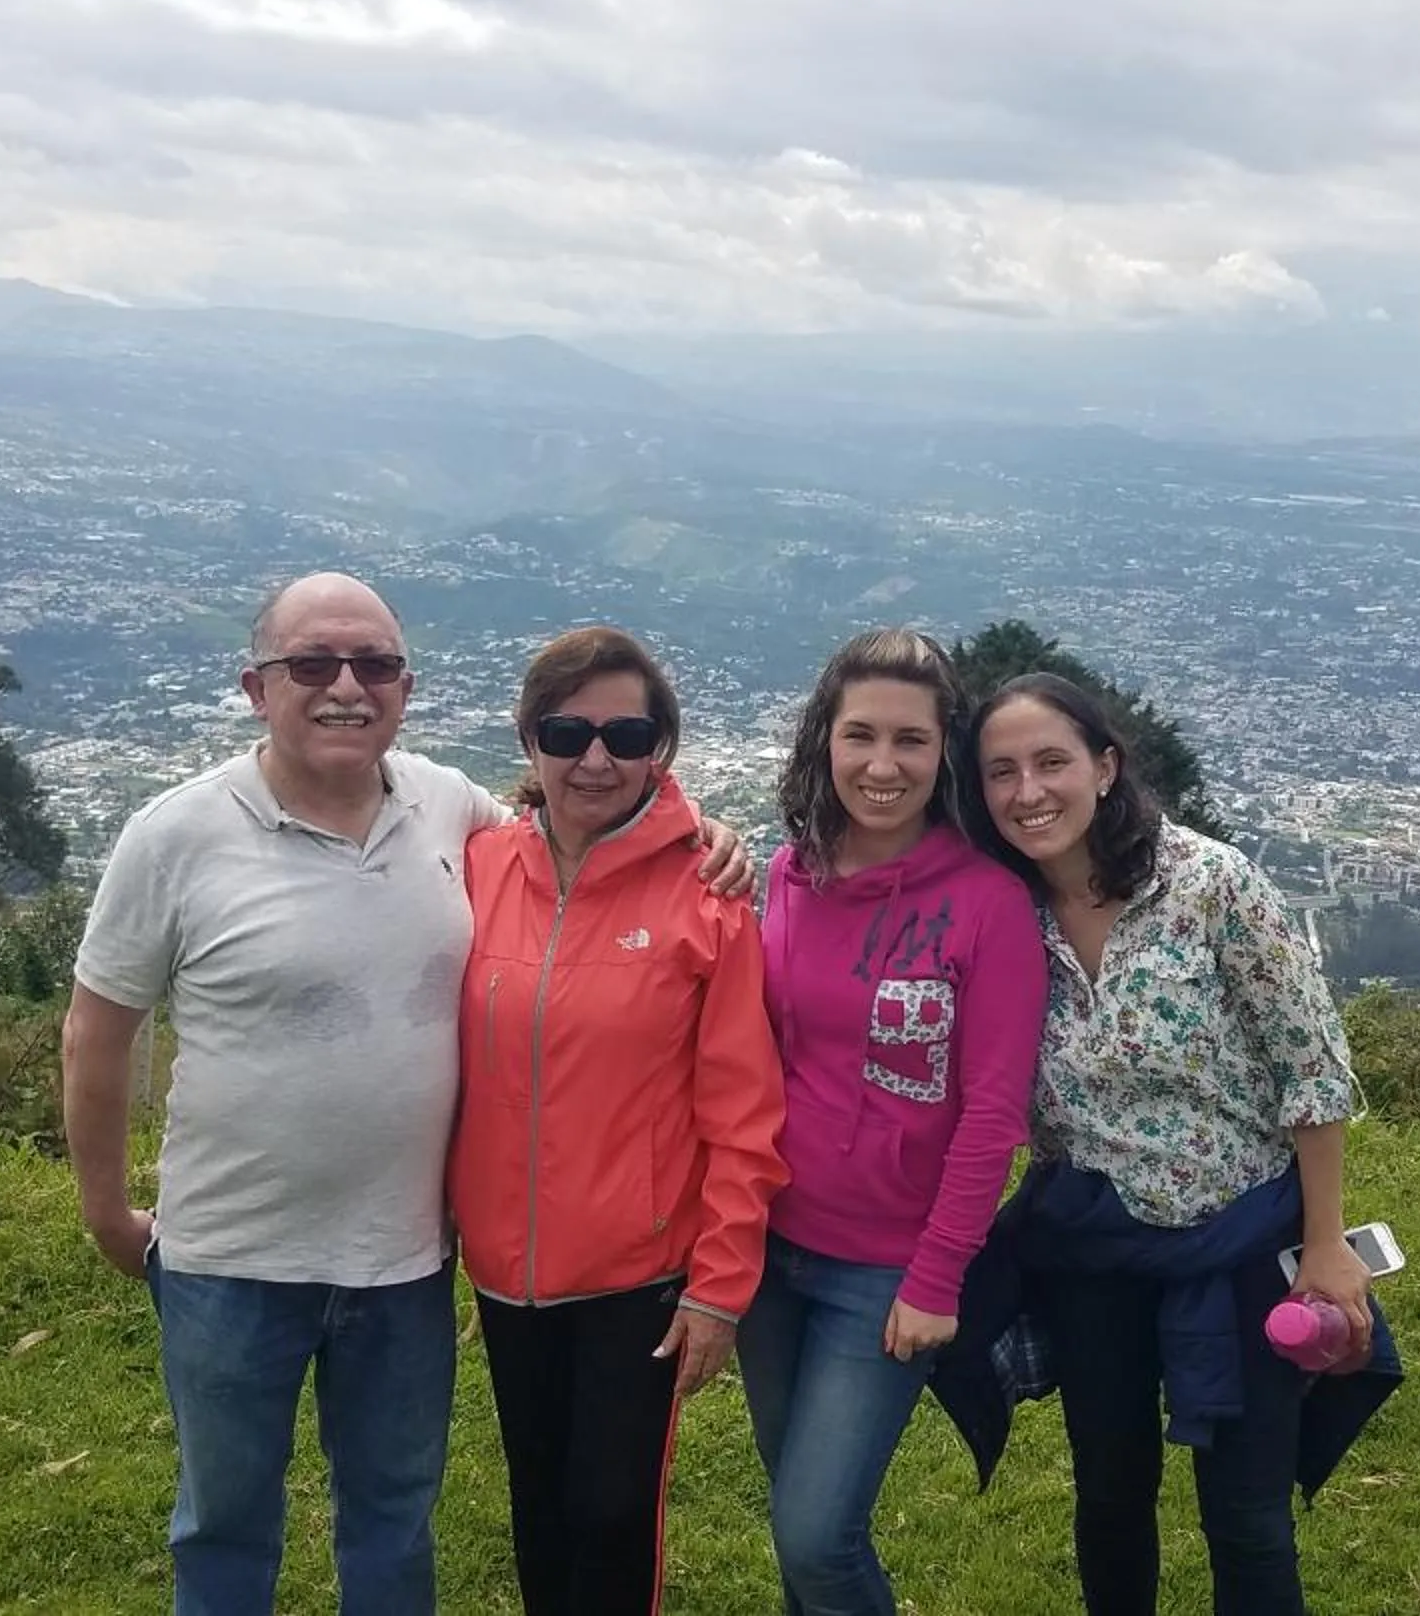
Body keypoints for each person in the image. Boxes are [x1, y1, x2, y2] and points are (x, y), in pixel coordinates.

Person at [60, 574, 749, 1616]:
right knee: (227, 1522)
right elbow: (96, 1032)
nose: (346, 686)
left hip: (403, 1263)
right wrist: (107, 1208)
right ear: (257, 686)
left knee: (392, 1517)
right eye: (313, 664)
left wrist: (713, 835)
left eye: (374, 665)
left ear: (406, 686)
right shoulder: (176, 834)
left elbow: (594, 825)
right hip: (228, 1257)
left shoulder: (447, 809)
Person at [957, 672, 1399, 1616]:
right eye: (1001, 772)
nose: (1027, 791)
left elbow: (1310, 1068)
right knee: (1110, 1497)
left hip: (1237, 1232)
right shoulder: (996, 912)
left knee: (1244, 1513)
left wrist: (1326, 1245)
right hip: (1093, 1242)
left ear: (1106, 768)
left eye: (1050, 762)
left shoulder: (1209, 884)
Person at [447, 625, 789, 1616]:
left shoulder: (706, 894)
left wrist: (721, 1288)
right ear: (530, 740)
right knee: (538, 1506)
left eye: (626, 732)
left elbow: (743, 1107)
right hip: (506, 1270)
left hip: (638, 1273)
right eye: (567, 730)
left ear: (660, 746)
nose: (595, 757)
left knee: (609, 1512)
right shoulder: (475, 865)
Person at [737, 629, 1046, 1616]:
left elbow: (994, 1110)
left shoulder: (987, 903)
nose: (882, 764)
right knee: (796, 1517)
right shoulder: (790, 871)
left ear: (943, 750)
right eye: (860, 734)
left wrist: (936, 1272)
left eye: (910, 740)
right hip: (768, 1249)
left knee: (820, 1534)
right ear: (823, 741)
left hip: (883, 1272)